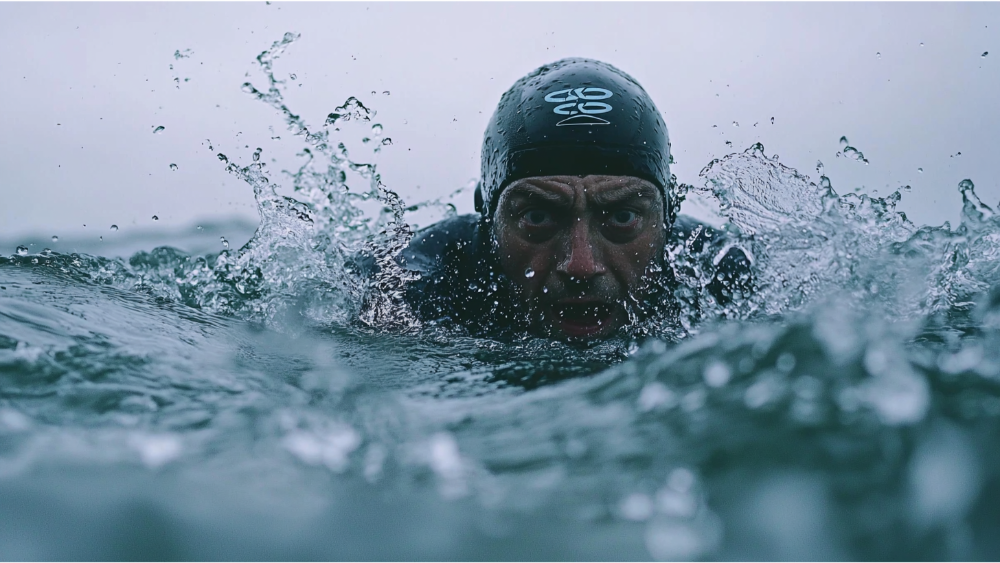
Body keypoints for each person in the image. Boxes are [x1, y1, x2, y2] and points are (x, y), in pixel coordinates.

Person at [387, 58, 752, 341]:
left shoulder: (726, 278)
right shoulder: (408, 290)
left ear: (668, 219)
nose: (580, 266)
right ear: (488, 220)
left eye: (623, 218)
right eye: (538, 218)